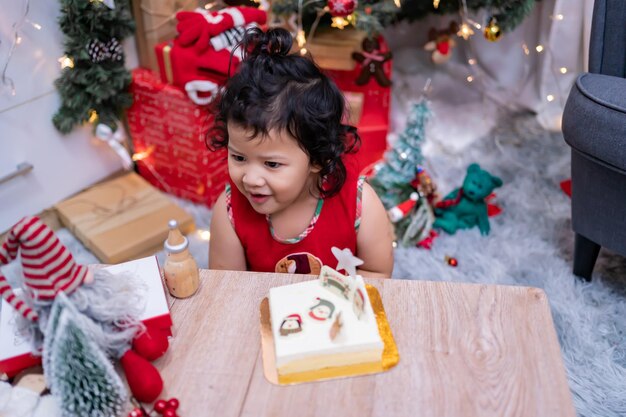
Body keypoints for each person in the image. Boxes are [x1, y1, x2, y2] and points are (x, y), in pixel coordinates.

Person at [208, 27, 393, 278]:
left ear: (318, 158)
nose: (250, 178)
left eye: (272, 164)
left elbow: (377, 272)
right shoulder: (230, 211)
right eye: (239, 157)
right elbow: (226, 287)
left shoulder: (359, 203)